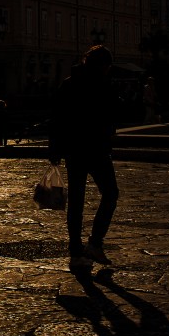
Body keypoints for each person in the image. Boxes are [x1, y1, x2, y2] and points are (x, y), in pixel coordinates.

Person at [49, 45, 120, 272]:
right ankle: (94, 243)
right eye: (108, 66)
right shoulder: (103, 85)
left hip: (74, 149)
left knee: (77, 202)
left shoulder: (69, 84)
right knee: (110, 193)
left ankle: (76, 250)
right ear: (103, 65)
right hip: (95, 148)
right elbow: (110, 116)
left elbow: (57, 118)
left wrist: (55, 149)